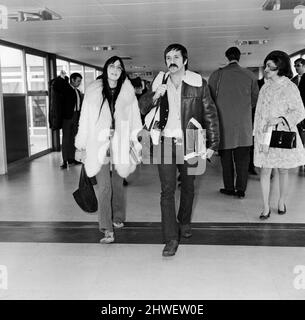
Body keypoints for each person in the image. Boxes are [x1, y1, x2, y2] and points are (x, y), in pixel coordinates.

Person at [139, 43, 219, 257]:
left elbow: (210, 113)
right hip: (164, 141)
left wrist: (213, 144)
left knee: (189, 187)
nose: (171, 61)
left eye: (175, 57)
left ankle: (184, 221)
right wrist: (155, 95)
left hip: (191, 140)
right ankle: (171, 237)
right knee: (167, 191)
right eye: (168, 57)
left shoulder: (198, 83)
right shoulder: (159, 81)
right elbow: (142, 108)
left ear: (185, 60)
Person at [75, 56, 142, 243]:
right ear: (106, 69)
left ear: (122, 72)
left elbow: (136, 120)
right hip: (99, 143)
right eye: (112, 66)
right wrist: (81, 146)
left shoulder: (128, 92)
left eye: (119, 67)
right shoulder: (93, 91)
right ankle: (107, 228)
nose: (115, 69)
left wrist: (136, 142)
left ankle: (118, 217)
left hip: (121, 142)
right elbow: (85, 120)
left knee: (118, 183)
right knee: (104, 186)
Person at [253, 50, 305, 219]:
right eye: (266, 66)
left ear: (280, 67)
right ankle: (266, 206)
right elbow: (259, 112)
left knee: (283, 170)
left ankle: (281, 201)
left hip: (283, 133)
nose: (266, 69)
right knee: (265, 170)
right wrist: (257, 133)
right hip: (265, 135)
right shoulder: (265, 87)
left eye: (270, 66)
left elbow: (300, 112)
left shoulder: (290, 87)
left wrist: (281, 119)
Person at [208, 47, 259, 199]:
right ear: (239, 57)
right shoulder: (250, 75)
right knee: (243, 160)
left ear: (226, 57)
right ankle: (241, 189)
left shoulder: (217, 75)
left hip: (223, 125)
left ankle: (229, 187)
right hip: (244, 126)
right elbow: (255, 99)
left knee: (226, 160)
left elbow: (209, 99)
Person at [60, 73, 83, 169]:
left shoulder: (77, 91)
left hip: (76, 116)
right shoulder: (66, 90)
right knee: (66, 139)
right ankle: (65, 161)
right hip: (67, 117)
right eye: (78, 81)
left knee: (74, 138)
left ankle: (72, 158)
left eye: (80, 81)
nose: (79, 83)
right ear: (72, 80)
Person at [291, 58, 305, 169]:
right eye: (295, 65)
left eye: (298, 65)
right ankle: (300, 158)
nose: (296, 67)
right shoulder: (293, 80)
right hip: (297, 112)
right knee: (299, 135)